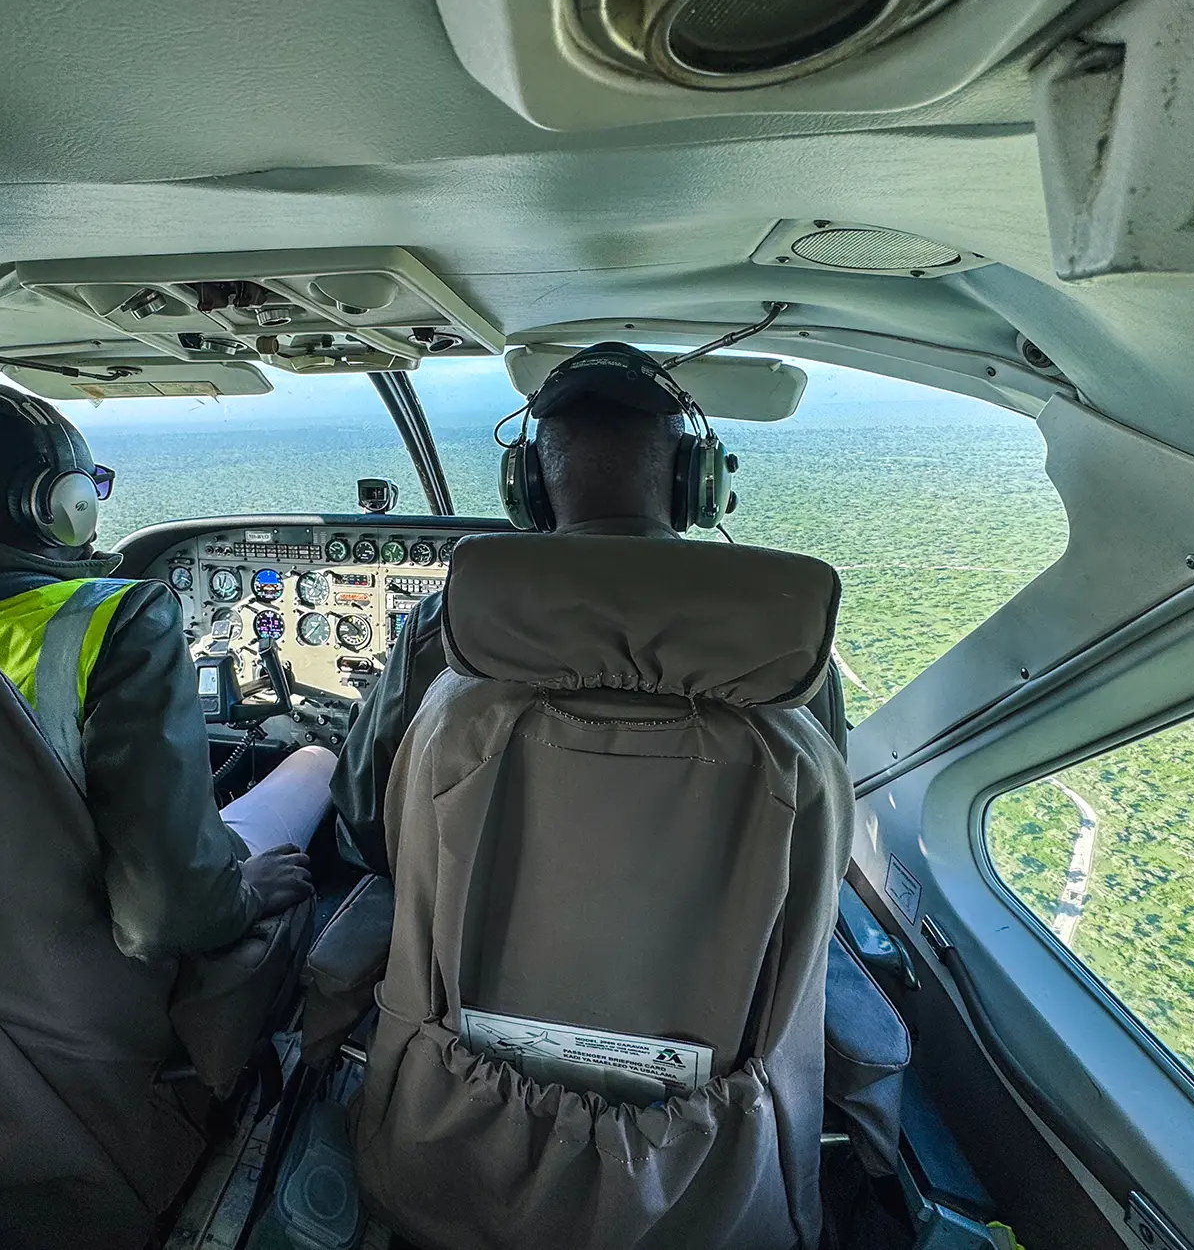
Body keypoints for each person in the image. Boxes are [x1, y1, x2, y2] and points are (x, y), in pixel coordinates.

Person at [329, 343, 846, 873]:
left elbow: (367, 821)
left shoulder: (451, 625)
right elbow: (824, 839)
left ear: (526, 488)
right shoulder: (786, 645)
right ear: (697, 485)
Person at [0, 374, 333, 958]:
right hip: (81, 955)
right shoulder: (113, 618)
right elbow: (168, 918)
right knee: (317, 758)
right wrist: (243, 894)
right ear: (64, 501)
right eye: (90, 487)